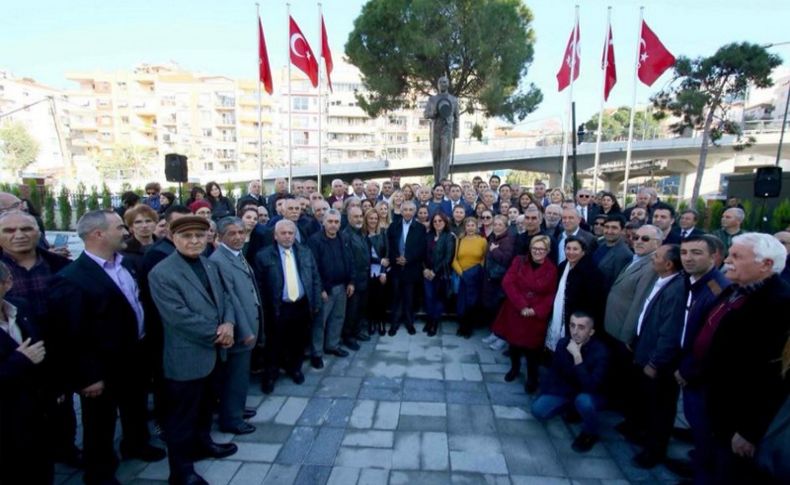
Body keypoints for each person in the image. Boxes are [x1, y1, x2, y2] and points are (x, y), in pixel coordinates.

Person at [49, 210, 165, 485]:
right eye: (119, 227)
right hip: (102, 367)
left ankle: (136, 444)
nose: (126, 232)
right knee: (99, 422)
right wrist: (88, 376)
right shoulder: (72, 278)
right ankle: (99, 471)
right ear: (97, 234)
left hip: (134, 355)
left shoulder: (127, 265)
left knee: (135, 406)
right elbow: (72, 334)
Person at [148, 215, 238, 485]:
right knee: (181, 418)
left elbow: (225, 298)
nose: (195, 241)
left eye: (200, 236)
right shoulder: (162, 273)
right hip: (187, 356)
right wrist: (218, 333)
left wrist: (230, 323)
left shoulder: (209, 264)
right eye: (187, 236)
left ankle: (203, 444)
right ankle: (181, 471)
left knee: (205, 407)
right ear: (173, 238)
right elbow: (178, 316)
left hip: (214, 353)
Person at [702, 233, 790, 484]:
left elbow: (776, 379)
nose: (727, 260)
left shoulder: (781, 305)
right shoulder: (738, 289)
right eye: (729, 254)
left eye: (737, 256)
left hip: (741, 423)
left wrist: (750, 431)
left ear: (766, 265)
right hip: (720, 408)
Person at [672, 235, 731, 482]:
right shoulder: (692, 281)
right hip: (687, 365)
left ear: (714, 256)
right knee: (698, 427)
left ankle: (702, 474)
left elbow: (710, 341)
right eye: (684, 252)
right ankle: (699, 462)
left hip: (698, 374)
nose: (688, 258)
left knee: (703, 426)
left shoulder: (718, 288)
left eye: (696, 252)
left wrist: (687, 371)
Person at [629, 244, 686, 469]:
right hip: (645, 350)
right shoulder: (662, 280)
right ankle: (644, 437)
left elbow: (670, 331)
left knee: (660, 408)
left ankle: (655, 451)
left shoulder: (677, 288)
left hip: (659, 362)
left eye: (657, 256)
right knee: (649, 403)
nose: (653, 258)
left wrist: (655, 362)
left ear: (669, 264)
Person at [0, 260, 54, 484]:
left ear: (7, 283)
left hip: (34, 410)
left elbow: (39, 347)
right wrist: (19, 360)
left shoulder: (19, 307)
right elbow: (26, 356)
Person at [209, 217, 262, 435]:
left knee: (240, 375)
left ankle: (237, 408)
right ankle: (231, 419)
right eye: (232, 233)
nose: (239, 236)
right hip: (241, 331)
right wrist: (245, 330)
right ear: (220, 237)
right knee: (234, 377)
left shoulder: (236, 254)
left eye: (241, 232)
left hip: (251, 322)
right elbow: (229, 299)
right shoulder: (219, 260)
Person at [255, 220, 322, 391]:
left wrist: (315, 302)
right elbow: (259, 286)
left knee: (298, 341)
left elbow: (314, 278)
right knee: (274, 343)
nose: (287, 236)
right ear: (275, 236)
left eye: (290, 233)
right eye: (283, 233)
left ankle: (295, 369)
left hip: (300, 305)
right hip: (277, 307)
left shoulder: (305, 252)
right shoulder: (263, 256)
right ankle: (271, 374)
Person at [531, 312, 610, 453]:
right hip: (568, 390)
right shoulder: (563, 343)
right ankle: (572, 408)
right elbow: (554, 373)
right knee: (538, 410)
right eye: (572, 325)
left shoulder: (600, 352)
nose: (575, 331)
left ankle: (590, 433)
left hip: (592, 393)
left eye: (581, 327)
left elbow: (591, 386)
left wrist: (578, 357)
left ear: (591, 331)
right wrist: (543, 393)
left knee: (584, 401)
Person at [604, 225, 660, 412]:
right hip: (613, 326)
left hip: (623, 332)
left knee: (624, 374)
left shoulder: (652, 266)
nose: (638, 241)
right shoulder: (636, 258)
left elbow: (639, 303)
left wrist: (628, 336)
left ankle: (622, 407)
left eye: (645, 239)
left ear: (657, 243)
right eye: (636, 237)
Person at [492, 235, 557, 391]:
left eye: (541, 249)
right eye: (535, 248)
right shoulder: (519, 261)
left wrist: (536, 310)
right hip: (516, 310)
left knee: (532, 350)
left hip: (535, 315)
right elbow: (508, 282)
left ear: (547, 251)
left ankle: (532, 377)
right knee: (514, 344)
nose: (537, 252)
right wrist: (522, 305)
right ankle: (514, 369)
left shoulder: (552, 269)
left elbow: (551, 294)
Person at [546, 237, 606, 387]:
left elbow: (594, 300)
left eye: (575, 249)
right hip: (560, 317)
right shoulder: (562, 266)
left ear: (583, 251)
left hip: (578, 322)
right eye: (568, 248)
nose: (571, 252)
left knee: (574, 353)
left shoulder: (591, 272)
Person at [308, 209, 354, 364]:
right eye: (330, 221)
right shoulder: (315, 240)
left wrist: (351, 282)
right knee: (320, 322)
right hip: (325, 289)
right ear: (323, 222)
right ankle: (317, 353)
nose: (333, 225)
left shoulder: (344, 237)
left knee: (338, 318)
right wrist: (320, 289)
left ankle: (332, 345)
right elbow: (313, 267)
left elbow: (350, 260)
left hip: (342, 286)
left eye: (336, 222)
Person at [386, 201, 426, 336]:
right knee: (395, 297)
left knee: (409, 298)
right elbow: (389, 246)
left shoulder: (420, 228)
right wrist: (396, 258)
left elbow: (421, 248)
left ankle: (410, 323)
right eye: (405, 210)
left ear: (414, 212)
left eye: (410, 210)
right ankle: (394, 324)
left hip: (411, 268)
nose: (408, 212)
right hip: (396, 268)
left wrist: (408, 258)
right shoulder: (393, 226)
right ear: (401, 211)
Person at [481, 215, 516, 350]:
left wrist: (494, 251)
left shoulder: (508, 240)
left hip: (499, 280)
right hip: (491, 279)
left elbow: (506, 259)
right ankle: (495, 333)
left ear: (506, 226)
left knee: (499, 309)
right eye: (495, 224)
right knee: (494, 309)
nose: (496, 226)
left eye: (500, 224)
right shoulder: (494, 238)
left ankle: (501, 337)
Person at [452, 217, 487, 338]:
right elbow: (454, 259)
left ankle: (468, 327)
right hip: (462, 276)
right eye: (468, 225)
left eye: (473, 225)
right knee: (461, 302)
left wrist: (477, 271)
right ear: (465, 227)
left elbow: (484, 258)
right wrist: (462, 273)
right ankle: (461, 326)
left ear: (476, 227)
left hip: (476, 276)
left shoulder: (482, 241)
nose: (470, 227)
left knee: (472, 302)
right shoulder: (459, 240)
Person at [422, 212, 456, 336]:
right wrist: (425, 269)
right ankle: (430, 319)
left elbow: (448, 258)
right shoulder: (428, 236)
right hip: (427, 273)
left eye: (440, 221)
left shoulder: (449, 237)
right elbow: (423, 254)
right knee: (428, 298)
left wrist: (434, 271)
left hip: (440, 274)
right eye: (435, 221)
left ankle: (434, 323)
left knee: (438, 299)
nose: (437, 223)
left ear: (445, 222)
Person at [342, 206, 371, 348]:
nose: (359, 219)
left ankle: (357, 331)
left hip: (364, 278)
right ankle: (348, 336)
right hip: (354, 280)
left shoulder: (361, 233)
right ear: (348, 218)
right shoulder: (346, 235)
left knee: (361, 308)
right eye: (355, 217)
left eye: (360, 216)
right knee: (351, 310)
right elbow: (348, 260)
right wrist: (351, 281)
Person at [424, 75, 460, 182]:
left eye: (445, 82)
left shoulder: (454, 99)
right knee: (435, 155)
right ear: (438, 85)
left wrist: (456, 132)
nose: (443, 84)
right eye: (441, 82)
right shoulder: (432, 99)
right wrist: (433, 113)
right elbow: (426, 114)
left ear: (448, 84)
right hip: (435, 129)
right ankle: (436, 182)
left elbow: (457, 117)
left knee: (445, 155)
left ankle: (443, 180)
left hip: (447, 129)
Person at [363, 209, 389, 336]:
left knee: (382, 299)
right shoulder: (363, 235)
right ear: (366, 219)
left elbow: (387, 253)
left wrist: (384, 272)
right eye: (370, 218)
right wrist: (379, 261)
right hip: (368, 271)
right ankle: (372, 322)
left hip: (381, 272)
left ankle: (381, 323)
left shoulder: (383, 233)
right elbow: (365, 257)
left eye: (375, 218)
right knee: (370, 299)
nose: (373, 221)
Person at [592, 215, 633, 293]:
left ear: (622, 230)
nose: (609, 231)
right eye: (607, 227)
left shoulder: (624, 254)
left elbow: (616, 285)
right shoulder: (600, 244)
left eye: (614, 228)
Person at [121, 204, 158, 274]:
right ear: (131, 227)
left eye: (148, 221)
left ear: (155, 223)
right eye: (138, 222)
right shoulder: (124, 249)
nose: (144, 226)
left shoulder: (164, 245)